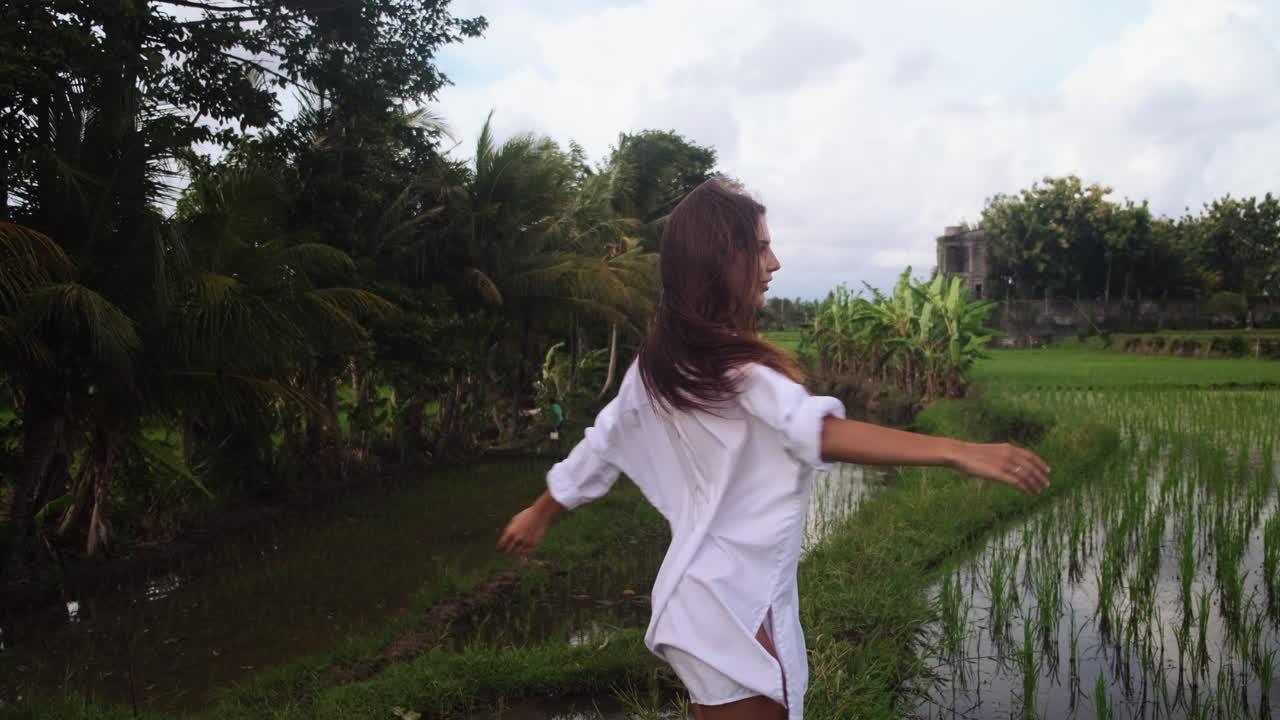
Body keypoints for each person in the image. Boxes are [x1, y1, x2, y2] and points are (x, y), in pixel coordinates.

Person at [498, 177, 1050, 720]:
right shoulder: (735, 372)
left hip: (700, 599)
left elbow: (601, 444)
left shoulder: (659, 367)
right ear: (722, 261)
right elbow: (817, 431)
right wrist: (958, 450)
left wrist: (538, 513)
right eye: (760, 247)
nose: (775, 262)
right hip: (736, 608)